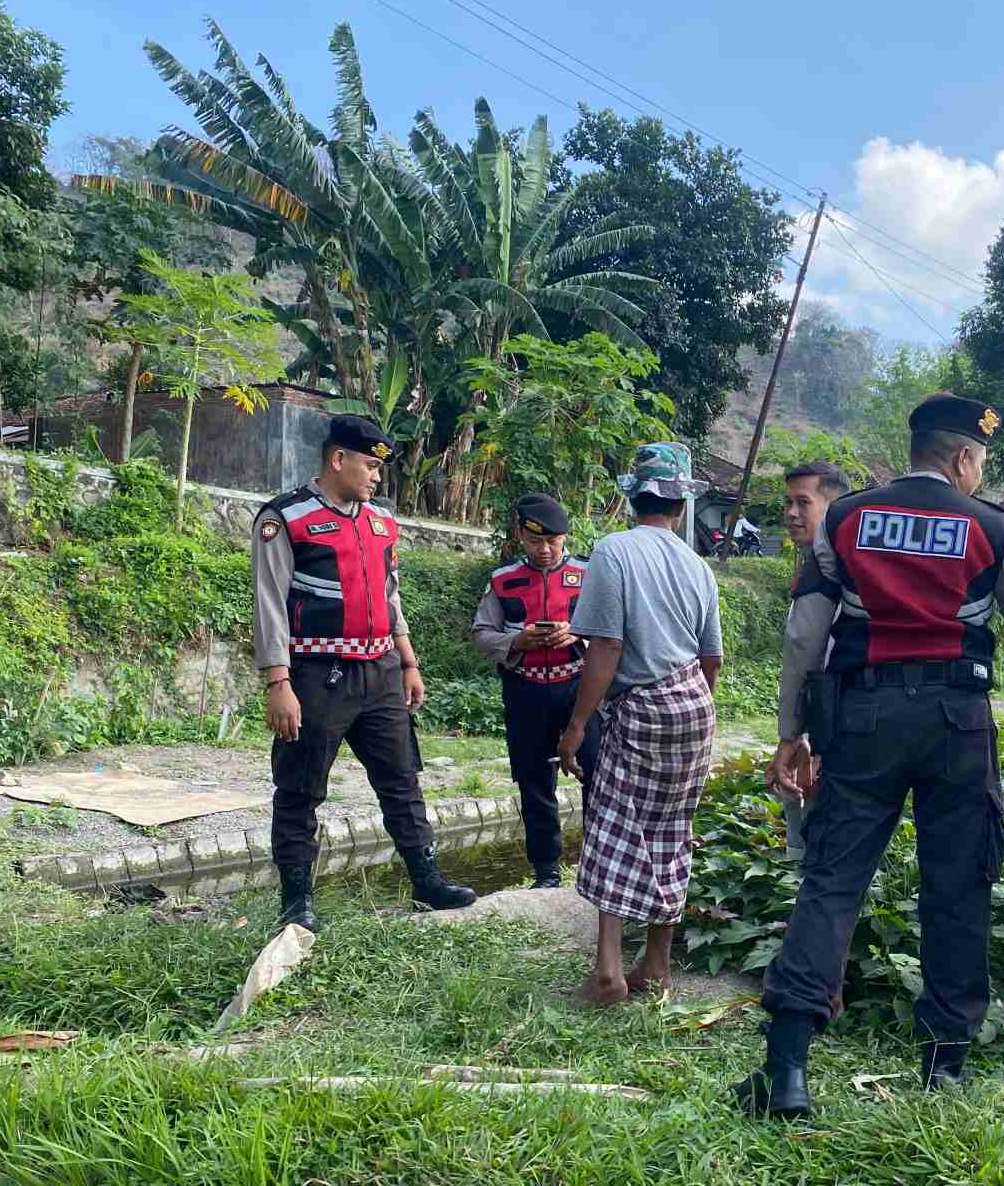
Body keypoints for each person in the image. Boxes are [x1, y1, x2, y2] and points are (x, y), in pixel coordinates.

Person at [734, 394, 1004, 1118]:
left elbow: (806, 635)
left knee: (831, 881)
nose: (977, 471)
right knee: (957, 887)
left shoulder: (846, 517)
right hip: (957, 722)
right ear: (962, 458)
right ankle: (944, 1070)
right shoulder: (994, 526)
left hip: (861, 718)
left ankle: (788, 1069)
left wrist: (790, 731)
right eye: (980, 461)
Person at [253, 415, 476, 932]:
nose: (377, 477)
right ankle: (296, 903)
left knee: (402, 782)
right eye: (371, 466)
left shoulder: (381, 523)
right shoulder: (286, 518)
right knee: (300, 788)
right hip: (316, 676)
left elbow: (389, 594)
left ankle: (426, 881)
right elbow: (269, 604)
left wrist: (409, 661)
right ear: (338, 460)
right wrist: (278, 683)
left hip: (380, 673)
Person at [558, 442, 724, 1006]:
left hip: (641, 707)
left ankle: (608, 972)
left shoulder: (614, 551)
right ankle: (657, 964)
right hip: (693, 708)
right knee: (672, 829)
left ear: (635, 497)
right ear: (681, 504)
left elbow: (605, 644)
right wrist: (692, 715)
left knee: (614, 824)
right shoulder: (698, 566)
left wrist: (578, 724)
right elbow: (712, 661)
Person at [469, 493, 599, 889]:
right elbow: (481, 634)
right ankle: (546, 873)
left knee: (597, 775)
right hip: (525, 692)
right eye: (534, 542)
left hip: (579, 688)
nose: (544, 550)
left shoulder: (590, 575)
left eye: (553, 542)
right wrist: (516, 643)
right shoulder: (502, 580)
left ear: (566, 538)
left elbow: (614, 631)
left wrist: (576, 633)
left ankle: (597, 866)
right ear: (520, 538)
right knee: (534, 783)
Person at [767, 461, 851, 855]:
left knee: (824, 845)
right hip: (852, 717)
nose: (791, 513)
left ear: (834, 508)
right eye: (788, 503)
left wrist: (791, 734)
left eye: (803, 502)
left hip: (836, 723)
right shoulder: (853, 561)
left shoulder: (826, 567)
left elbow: (805, 651)